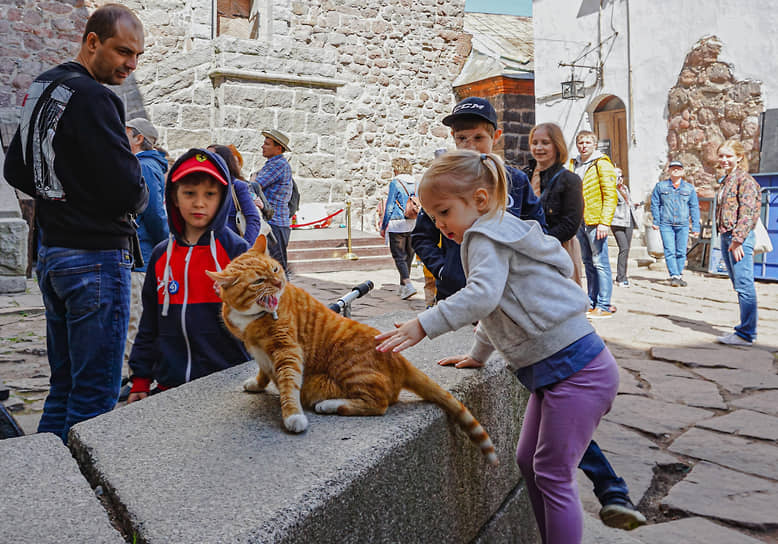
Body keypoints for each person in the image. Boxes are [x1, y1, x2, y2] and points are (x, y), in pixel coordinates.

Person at [376, 150, 620, 543]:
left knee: (552, 472)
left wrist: (425, 323)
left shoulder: (483, 236)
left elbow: (482, 297)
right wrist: (477, 355)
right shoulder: (497, 229)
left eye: (444, 212)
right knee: (530, 461)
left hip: (577, 371)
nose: (439, 224)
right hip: (558, 371)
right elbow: (502, 307)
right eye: (433, 216)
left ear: (480, 200)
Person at [3, 4, 148, 443]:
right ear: (91, 42)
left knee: (63, 388)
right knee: (94, 397)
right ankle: (78, 502)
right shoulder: (96, 97)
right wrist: (132, 192)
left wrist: (62, 194)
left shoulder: (45, 84)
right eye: (123, 51)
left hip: (53, 255)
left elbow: (15, 169)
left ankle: (41, 483)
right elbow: (129, 191)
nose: (131, 64)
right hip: (94, 260)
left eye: (137, 56)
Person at [127, 149, 250, 402]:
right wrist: (140, 379)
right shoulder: (162, 256)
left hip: (228, 384)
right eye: (189, 193)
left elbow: (265, 318)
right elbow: (149, 322)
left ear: (223, 198)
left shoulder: (237, 251)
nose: (199, 203)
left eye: (210, 194)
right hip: (171, 387)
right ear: (174, 197)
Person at [411, 96, 545, 302]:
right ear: (453, 137)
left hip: (507, 293)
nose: (470, 146)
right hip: (457, 295)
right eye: (462, 138)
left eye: (478, 138)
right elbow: (422, 236)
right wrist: (444, 270)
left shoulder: (515, 181)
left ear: (496, 136)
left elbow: (539, 230)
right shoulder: (443, 182)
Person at [124, 118, 168, 368]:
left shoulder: (145, 167)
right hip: (140, 252)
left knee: (135, 317)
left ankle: (136, 373)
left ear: (139, 138)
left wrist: (163, 248)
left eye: (127, 133)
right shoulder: (141, 165)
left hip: (142, 253)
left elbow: (153, 213)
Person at [526, 122, 585, 286]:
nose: (539, 148)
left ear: (557, 145)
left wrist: (541, 243)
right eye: (534, 142)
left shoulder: (570, 180)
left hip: (559, 249)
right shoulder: (523, 176)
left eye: (545, 143)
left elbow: (571, 224)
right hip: (527, 252)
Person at [715, 140, 761, 346]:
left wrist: (738, 240)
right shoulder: (727, 180)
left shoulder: (745, 180)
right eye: (722, 156)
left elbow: (748, 212)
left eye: (728, 156)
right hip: (727, 236)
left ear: (739, 157)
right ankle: (745, 329)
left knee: (744, 285)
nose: (724, 160)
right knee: (739, 284)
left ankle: (746, 334)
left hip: (737, 238)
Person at [569, 131, 619, 319]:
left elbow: (610, 195)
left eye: (588, 142)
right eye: (581, 142)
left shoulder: (602, 164)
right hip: (580, 220)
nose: (584, 146)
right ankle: (592, 301)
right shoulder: (574, 164)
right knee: (588, 262)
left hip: (596, 220)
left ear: (594, 145)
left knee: (600, 262)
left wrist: (605, 222)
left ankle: (604, 304)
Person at [650, 160, 700, 287]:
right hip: (666, 224)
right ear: (669, 171)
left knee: (681, 251)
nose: (675, 170)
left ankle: (678, 274)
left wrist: (695, 226)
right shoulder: (660, 187)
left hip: (682, 224)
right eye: (673, 168)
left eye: (678, 168)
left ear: (682, 171)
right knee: (669, 250)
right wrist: (656, 221)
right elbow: (655, 204)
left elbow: (694, 207)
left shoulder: (689, 188)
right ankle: (674, 275)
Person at [253, 129, 293, 274]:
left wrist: (251, 179)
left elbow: (254, 185)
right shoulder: (273, 164)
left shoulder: (277, 165)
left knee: (277, 269)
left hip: (274, 224)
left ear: (278, 148)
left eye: (267, 144)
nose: (262, 146)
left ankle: (285, 296)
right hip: (274, 223)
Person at [379, 157, 418, 299]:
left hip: (397, 223)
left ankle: (408, 284)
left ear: (396, 169)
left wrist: (384, 225)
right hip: (412, 223)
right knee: (408, 255)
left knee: (399, 256)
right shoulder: (416, 183)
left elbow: (389, 206)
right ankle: (403, 288)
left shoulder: (396, 183)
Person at [207, 144, 261, 245]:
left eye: (210, 157)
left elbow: (253, 219)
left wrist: (245, 249)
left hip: (230, 248)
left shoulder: (237, 186)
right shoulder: (203, 187)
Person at [611, 168, 641, 287]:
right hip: (617, 222)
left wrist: (634, 205)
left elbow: (627, 202)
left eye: (621, 176)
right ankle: (620, 278)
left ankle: (623, 275)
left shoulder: (625, 188)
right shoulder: (611, 190)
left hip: (628, 221)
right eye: (617, 176)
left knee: (626, 249)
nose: (620, 179)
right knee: (623, 247)